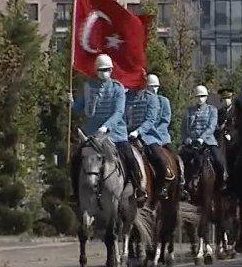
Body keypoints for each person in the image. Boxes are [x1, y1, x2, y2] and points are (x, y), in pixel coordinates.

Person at [71, 54, 144, 202]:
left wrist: (106, 126)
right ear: (96, 70)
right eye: (101, 70)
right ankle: (76, 193)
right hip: (92, 134)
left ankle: (138, 188)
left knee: (129, 157)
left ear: (111, 70)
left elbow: (119, 112)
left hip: (115, 133)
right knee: (76, 159)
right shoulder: (88, 87)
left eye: (107, 69)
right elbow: (79, 108)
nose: (104, 72)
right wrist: (71, 102)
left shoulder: (118, 88)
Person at [127, 74, 175, 198]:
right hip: (129, 135)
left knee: (161, 159)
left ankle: (164, 184)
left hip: (150, 135)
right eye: (151, 86)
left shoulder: (156, 99)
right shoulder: (128, 97)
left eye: (156, 86)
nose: (153, 89)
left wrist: (139, 131)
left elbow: (157, 120)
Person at [181, 85, 225, 183]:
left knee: (219, 161)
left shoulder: (212, 109)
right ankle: (181, 185)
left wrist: (202, 138)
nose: (200, 98)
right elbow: (183, 128)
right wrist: (186, 139)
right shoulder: (189, 110)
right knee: (179, 162)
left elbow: (211, 126)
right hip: (191, 142)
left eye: (202, 96)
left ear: (206, 97)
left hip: (208, 142)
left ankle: (222, 182)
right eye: (198, 96)